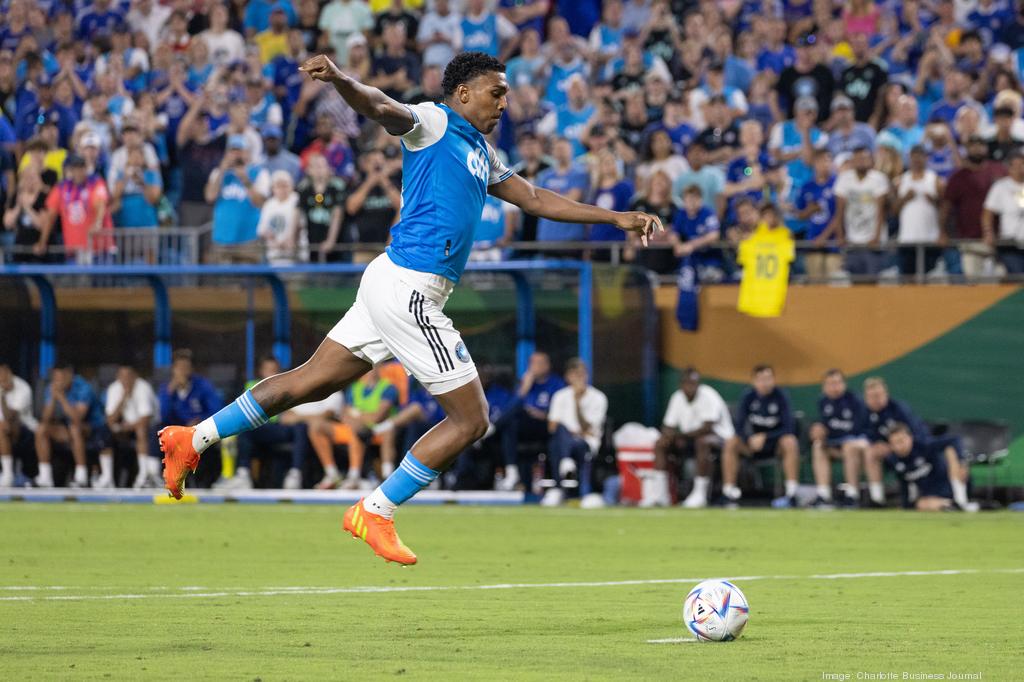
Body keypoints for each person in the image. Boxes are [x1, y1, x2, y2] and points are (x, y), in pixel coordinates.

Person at [158, 51, 661, 565]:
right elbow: (381, 107)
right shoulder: (436, 121)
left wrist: (616, 217)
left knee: (311, 381)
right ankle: (375, 510)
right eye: (497, 92)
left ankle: (192, 438)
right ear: (463, 92)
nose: (505, 102)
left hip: (390, 279)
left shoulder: (482, 151)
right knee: (471, 420)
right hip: (411, 289)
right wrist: (341, 80)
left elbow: (533, 198)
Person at [217, 357, 309, 491]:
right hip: (259, 429)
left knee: (301, 427)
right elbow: (246, 412)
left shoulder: (286, 385)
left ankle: (295, 475)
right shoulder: (251, 385)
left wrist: (291, 416)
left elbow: (292, 413)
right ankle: (243, 475)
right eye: (268, 370)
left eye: (275, 370)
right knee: (243, 429)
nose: (271, 373)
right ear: (261, 371)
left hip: (280, 429)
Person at [652, 368, 735, 509]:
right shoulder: (677, 397)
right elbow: (668, 425)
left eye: (694, 383)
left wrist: (680, 436)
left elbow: (708, 427)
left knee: (702, 442)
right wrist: (668, 436)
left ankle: (699, 494)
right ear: (681, 384)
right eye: (687, 383)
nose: (691, 386)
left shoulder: (709, 395)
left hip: (720, 438)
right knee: (661, 444)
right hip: (689, 439)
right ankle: (661, 495)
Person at [721, 365, 800, 508]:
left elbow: (789, 428)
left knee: (790, 441)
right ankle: (728, 493)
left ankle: (791, 494)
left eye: (768, 379)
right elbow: (739, 426)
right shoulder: (748, 397)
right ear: (754, 381)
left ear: (774, 380)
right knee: (731, 442)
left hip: (775, 445)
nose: (765, 383)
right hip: (752, 446)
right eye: (761, 379)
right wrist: (749, 439)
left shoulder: (781, 397)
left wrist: (766, 437)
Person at [495, 351, 566, 491]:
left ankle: (493, 427)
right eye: (532, 364)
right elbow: (512, 407)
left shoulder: (557, 383)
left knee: (510, 421)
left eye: (539, 363)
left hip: (547, 426)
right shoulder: (526, 382)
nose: (535, 367)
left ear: (547, 365)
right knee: (511, 423)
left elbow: (562, 411)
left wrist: (544, 415)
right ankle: (511, 471)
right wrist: (524, 389)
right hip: (526, 426)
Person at [541, 358, 607, 507]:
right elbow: (552, 427)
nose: (579, 378)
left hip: (586, 444)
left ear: (587, 376)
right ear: (568, 377)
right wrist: (572, 432)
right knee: (559, 435)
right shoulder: (560, 396)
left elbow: (587, 430)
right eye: (575, 374)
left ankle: (564, 485)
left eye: (582, 374)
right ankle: (565, 467)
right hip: (564, 439)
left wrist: (577, 403)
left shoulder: (598, 397)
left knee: (562, 443)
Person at [35, 363, 109, 489]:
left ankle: (81, 476)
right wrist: (53, 399)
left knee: (75, 429)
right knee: (42, 429)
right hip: (68, 427)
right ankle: (45, 477)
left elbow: (77, 418)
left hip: (94, 428)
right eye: (55, 378)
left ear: (69, 374)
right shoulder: (52, 388)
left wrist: (62, 398)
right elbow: (45, 418)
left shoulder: (84, 387)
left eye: (60, 378)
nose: (57, 382)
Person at [942, 136, 1005, 278]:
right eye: (973, 145)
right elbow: (946, 207)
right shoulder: (958, 176)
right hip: (969, 240)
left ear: (986, 148)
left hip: (999, 239)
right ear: (967, 150)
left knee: (1003, 282)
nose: (977, 149)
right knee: (973, 281)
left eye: (980, 145)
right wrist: (942, 231)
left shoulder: (999, 170)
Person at [862, 376, 929, 507]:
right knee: (870, 452)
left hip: (915, 450)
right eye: (872, 396)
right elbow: (868, 435)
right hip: (890, 454)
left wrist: (895, 445)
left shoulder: (899, 409)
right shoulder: (865, 413)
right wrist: (882, 445)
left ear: (886, 394)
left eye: (879, 395)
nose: (876, 400)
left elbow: (916, 435)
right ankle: (877, 499)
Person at [809, 369, 871, 508]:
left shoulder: (855, 401)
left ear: (844, 384)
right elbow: (825, 426)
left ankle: (852, 495)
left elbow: (859, 430)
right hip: (836, 444)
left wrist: (836, 439)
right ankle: (823, 495)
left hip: (859, 444)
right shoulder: (823, 402)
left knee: (849, 446)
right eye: (830, 384)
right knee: (818, 446)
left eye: (837, 383)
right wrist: (819, 431)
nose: (834, 387)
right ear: (824, 387)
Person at [204, 135, 270, 263]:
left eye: (240, 150)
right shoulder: (218, 173)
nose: (236, 155)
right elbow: (210, 197)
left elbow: (260, 203)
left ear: (248, 153)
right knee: (222, 281)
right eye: (233, 151)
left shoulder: (260, 173)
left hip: (249, 238)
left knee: (249, 279)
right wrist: (222, 170)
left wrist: (245, 179)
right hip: (222, 238)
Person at [886, 423, 976, 512]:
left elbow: (955, 440)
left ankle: (961, 501)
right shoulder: (894, 460)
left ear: (910, 438)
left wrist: (962, 462)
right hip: (930, 495)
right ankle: (954, 506)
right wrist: (906, 506)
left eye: (901, 441)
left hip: (949, 484)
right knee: (921, 504)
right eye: (894, 443)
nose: (898, 447)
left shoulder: (924, 445)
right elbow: (905, 485)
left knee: (950, 451)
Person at [832, 146, 889, 276]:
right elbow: (839, 210)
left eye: (864, 158)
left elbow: (881, 211)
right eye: (858, 159)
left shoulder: (879, 178)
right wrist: (840, 235)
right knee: (854, 280)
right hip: (852, 239)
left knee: (872, 279)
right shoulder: (844, 179)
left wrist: (876, 236)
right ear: (852, 161)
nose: (861, 161)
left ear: (871, 160)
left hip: (872, 242)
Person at [105, 365, 159, 489]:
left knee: (141, 431)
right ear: (118, 377)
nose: (126, 379)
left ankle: (144, 474)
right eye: (122, 376)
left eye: (129, 376)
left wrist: (124, 428)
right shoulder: (114, 388)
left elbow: (145, 420)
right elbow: (110, 420)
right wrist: (123, 398)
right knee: (105, 433)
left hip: (152, 428)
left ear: (135, 376)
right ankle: (106, 478)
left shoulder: (143, 387)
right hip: (126, 427)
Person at [895, 145, 943, 277]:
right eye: (914, 157)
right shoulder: (901, 180)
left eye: (920, 156)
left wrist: (934, 201)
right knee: (907, 278)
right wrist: (904, 198)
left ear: (926, 158)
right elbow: (893, 211)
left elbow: (945, 207)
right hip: (907, 237)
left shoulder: (934, 179)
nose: (917, 160)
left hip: (930, 237)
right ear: (909, 158)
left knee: (929, 277)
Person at [297, 152, 350, 262]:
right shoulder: (304, 189)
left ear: (328, 169)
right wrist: (293, 239)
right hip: (311, 242)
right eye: (315, 166)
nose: (318, 170)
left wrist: (330, 240)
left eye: (321, 166)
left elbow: (337, 215)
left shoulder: (336, 187)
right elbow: (298, 215)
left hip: (336, 246)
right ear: (308, 170)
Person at [981, 149, 1024, 274]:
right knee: (1017, 276)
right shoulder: (1001, 186)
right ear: (1010, 167)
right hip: (1010, 242)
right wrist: (988, 232)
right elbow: (988, 212)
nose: (1021, 169)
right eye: (1017, 165)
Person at [0, 363, 37, 488]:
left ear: (9, 372)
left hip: (25, 430)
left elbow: (11, 417)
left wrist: (3, 397)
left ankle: (7, 474)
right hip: (3, 430)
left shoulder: (23, 387)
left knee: (3, 427)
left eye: (3, 373)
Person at [258, 170, 304, 265]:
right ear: (273, 188)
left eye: (285, 185)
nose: (282, 189)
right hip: (274, 255)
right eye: (278, 186)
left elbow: (301, 225)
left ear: (292, 186)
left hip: (295, 255)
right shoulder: (269, 204)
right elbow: (261, 230)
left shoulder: (298, 201)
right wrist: (271, 237)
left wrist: (289, 240)